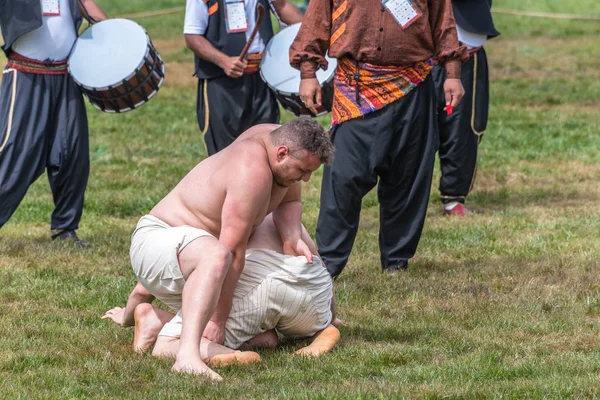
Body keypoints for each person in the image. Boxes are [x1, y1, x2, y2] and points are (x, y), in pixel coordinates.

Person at [102, 117, 333, 380]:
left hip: (192, 254)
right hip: (159, 241)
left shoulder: (278, 140)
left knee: (266, 338)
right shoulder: (252, 170)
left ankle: (155, 321)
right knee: (218, 254)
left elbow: (289, 201)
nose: (306, 179)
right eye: (303, 170)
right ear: (282, 153)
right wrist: (216, 321)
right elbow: (232, 250)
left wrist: (291, 237)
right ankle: (186, 356)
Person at [290, 0, 468, 277]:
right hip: (356, 89)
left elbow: (444, 24)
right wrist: (307, 73)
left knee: (407, 177)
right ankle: (329, 264)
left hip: (413, 87)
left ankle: (397, 260)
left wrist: (453, 74)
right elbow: (316, 21)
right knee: (343, 179)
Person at [103, 214, 341, 361]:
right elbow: (317, 262)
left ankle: (172, 332)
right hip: (311, 294)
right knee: (267, 338)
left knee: (175, 341)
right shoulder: (284, 214)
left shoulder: (221, 219)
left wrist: (127, 314)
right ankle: (322, 330)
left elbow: (144, 287)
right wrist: (331, 314)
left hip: (255, 293)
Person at [0, 0, 108, 247]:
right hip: (25, 73)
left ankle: (65, 228)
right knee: (14, 152)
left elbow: (88, 7)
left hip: (66, 75)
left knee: (72, 152)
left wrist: (113, 33)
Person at [184, 0, 303, 156]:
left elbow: (281, 6)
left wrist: (313, 33)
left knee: (267, 147)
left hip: (262, 77)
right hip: (221, 81)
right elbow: (192, 36)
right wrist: (223, 61)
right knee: (225, 153)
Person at [433, 0, 500, 216]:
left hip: (466, 45)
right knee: (414, 128)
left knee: (462, 127)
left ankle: (453, 196)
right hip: (416, 47)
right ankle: (405, 196)